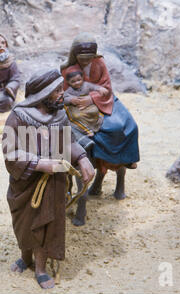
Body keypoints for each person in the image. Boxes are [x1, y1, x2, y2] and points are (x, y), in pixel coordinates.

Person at [2, 69, 95, 289]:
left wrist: (82, 158)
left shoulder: (60, 115)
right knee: (25, 223)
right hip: (25, 183)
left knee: (47, 224)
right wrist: (40, 163)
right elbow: (9, 151)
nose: (62, 94)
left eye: (61, 89)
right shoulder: (18, 116)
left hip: (54, 183)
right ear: (43, 94)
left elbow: (68, 142)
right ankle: (26, 258)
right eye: (57, 91)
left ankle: (41, 268)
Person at [61, 32, 140, 201]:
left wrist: (92, 98)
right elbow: (63, 91)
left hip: (101, 101)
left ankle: (126, 161)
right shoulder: (68, 69)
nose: (85, 62)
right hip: (77, 107)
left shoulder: (100, 63)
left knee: (125, 126)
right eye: (82, 58)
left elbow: (106, 87)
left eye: (88, 58)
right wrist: (74, 100)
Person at [63, 70, 107, 153]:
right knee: (76, 116)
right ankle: (86, 130)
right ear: (68, 82)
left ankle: (95, 126)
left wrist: (100, 89)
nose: (76, 83)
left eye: (78, 80)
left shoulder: (86, 85)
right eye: (73, 81)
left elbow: (95, 87)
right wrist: (71, 100)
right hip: (76, 107)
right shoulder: (69, 90)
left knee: (94, 111)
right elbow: (64, 98)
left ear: (82, 78)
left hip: (87, 105)